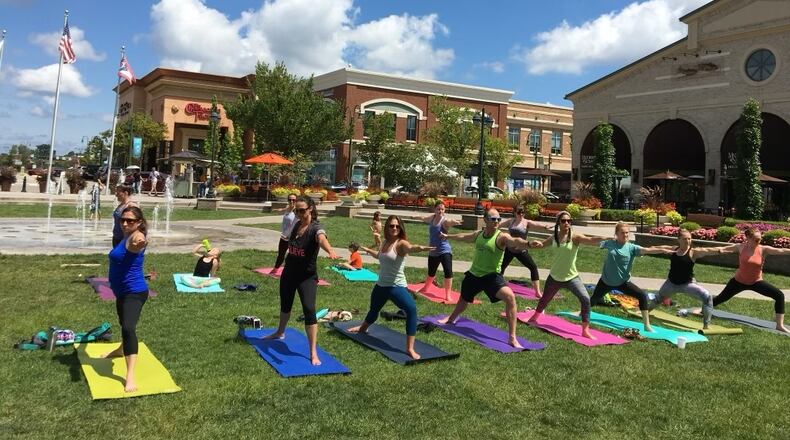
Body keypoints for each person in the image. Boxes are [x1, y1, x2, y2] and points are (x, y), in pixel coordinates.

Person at [438, 208, 540, 348]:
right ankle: (450, 319)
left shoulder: (501, 237)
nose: (497, 221)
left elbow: (515, 240)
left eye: (498, 219)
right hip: (474, 274)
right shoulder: (480, 234)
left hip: (491, 277)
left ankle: (512, 338)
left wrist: (528, 244)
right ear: (485, 220)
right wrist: (448, 237)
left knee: (510, 297)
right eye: (493, 219)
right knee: (463, 300)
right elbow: (464, 237)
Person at [264, 197, 340, 365]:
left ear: (310, 209)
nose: (299, 213)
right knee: (285, 304)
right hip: (289, 272)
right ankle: (280, 332)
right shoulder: (297, 224)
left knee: (309, 309)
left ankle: (313, 352)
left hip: (306, 277)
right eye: (296, 210)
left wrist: (330, 250)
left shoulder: (316, 228)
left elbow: (321, 238)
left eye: (302, 210)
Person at [349, 216, 434, 359]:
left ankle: (410, 349)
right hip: (381, 285)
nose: (394, 228)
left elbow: (410, 247)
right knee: (374, 309)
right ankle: (363, 328)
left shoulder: (401, 244)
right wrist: (368, 250)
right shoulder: (385, 243)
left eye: (397, 226)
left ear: (400, 228)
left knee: (411, 310)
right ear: (387, 227)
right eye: (391, 226)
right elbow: (380, 256)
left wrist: (420, 248)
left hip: (396, 287)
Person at [526, 211, 606, 339]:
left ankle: (585, 330)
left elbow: (590, 240)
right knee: (545, 299)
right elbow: (542, 245)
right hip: (555, 277)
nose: (567, 223)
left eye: (569, 221)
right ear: (558, 223)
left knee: (585, 299)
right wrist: (532, 244)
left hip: (572, 277)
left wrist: (607, 239)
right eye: (563, 221)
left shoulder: (575, 237)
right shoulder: (554, 237)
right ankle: (534, 318)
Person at [589, 222, 672, 333]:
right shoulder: (610, 243)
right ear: (616, 234)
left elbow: (647, 250)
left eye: (627, 232)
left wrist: (662, 250)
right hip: (606, 281)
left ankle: (647, 325)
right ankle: (582, 313)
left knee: (642, 296)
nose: (625, 235)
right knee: (594, 299)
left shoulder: (632, 248)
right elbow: (595, 242)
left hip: (623, 282)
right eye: (622, 233)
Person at [102, 206, 149, 393]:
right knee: (124, 324)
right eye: (123, 219)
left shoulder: (136, 237)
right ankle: (122, 349)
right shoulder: (124, 236)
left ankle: (129, 376)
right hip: (121, 291)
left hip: (135, 292)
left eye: (130, 220)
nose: (125, 223)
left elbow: (140, 242)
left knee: (129, 327)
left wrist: (141, 242)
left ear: (139, 223)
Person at [714, 228, 790, 332]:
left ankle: (779, 325)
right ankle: (702, 309)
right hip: (738, 281)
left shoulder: (763, 249)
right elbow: (727, 248)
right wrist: (720, 250)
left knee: (779, 295)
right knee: (720, 298)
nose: (759, 241)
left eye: (760, 239)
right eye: (756, 239)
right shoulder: (740, 247)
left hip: (756, 282)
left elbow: (781, 251)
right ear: (748, 238)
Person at [650, 229, 729, 329]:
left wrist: (720, 250)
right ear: (678, 239)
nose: (688, 241)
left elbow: (707, 250)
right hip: (671, 283)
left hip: (688, 284)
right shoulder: (674, 249)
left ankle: (706, 325)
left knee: (707, 297)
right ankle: (644, 312)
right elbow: (660, 248)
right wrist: (645, 249)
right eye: (685, 239)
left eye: (689, 239)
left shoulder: (693, 252)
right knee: (658, 299)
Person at [498, 206, 552, 298]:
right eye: (519, 212)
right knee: (501, 268)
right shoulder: (510, 221)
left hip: (521, 250)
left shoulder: (526, 222)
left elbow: (536, 225)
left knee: (533, 267)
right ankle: (498, 287)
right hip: (509, 249)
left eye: (523, 212)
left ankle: (537, 292)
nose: (521, 214)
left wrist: (545, 227)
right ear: (515, 213)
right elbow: (498, 225)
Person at [419, 200, 461, 301]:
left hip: (444, 250)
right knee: (431, 272)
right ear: (435, 209)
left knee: (448, 272)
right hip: (433, 250)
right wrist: (414, 217)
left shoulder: (444, 221)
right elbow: (424, 218)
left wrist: (454, 222)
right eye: (438, 209)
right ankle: (426, 287)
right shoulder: (432, 217)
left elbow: (449, 222)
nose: (440, 211)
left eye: (442, 209)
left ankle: (448, 295)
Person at [270, 194, 298, 274]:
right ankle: (275, 270)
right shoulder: (288, 208)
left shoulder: (297, 211)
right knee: (281, 255)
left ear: (296, 201)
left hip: (293, 238)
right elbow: (286, 208)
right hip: (284, 237)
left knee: (293, 256)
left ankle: (295, 271)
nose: (291, 201)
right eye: (290, 199)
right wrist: (279, 210)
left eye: (294, 200)